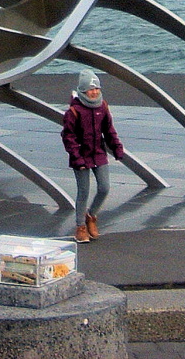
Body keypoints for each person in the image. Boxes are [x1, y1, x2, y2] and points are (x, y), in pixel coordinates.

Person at [61, 70, 124, 244]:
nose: (94, 92)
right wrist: (77, 157)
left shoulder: (102, 106)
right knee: (84, 191)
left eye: (97, 88)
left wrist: (116, 147)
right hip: (81, 156)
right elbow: (68, 136)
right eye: (91, 89)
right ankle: (80, 226)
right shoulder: (74, 111)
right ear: (83, 91)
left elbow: (109, 129)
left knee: (104, 188)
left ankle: (91, 216)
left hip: (98, 153)